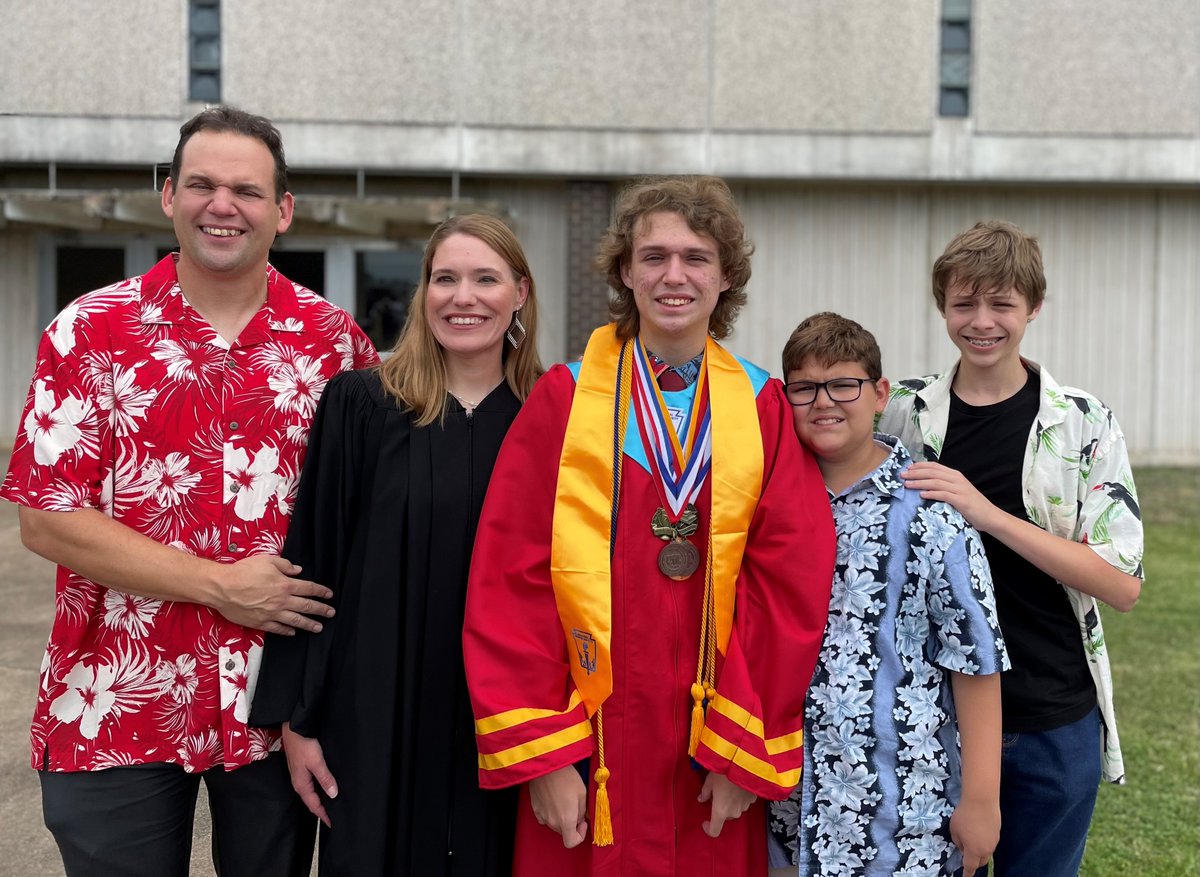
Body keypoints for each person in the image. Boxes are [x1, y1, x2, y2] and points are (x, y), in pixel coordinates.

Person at [0, 105, 378, 877]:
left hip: (277, 707)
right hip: (113, 695)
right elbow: (47, 519)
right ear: (168, 195)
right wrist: (218, 585)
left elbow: (367, 517)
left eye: (245, 188)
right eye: (201, 183)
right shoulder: (87, 332)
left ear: (283, 210)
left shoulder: (337, 345)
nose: (222, 204)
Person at [462, 175, 835, 876]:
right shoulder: (566, 401)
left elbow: (790, 584)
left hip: (707, 750)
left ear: (725, 276)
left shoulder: (762, 408)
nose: (674, 275)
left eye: (696, 257)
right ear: (625, 271)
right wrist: (546, 756)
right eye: (654, 256)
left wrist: (740, 754)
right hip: (590, 744)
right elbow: (509, 577)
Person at [249, 213, 542, 876]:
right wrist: (297, 722)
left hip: (504, 718)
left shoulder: (552, 416)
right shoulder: (361, 405)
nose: (462, 296)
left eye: (485, 278)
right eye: (445, 278)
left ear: (519, 292)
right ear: (423, 292)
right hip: (372, 713)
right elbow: (313, 565)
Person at [878, 221, 1144, 877]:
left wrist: (985, 512)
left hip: (1053, 715)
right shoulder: (903, 414)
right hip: (930, 714)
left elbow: (1121, 583)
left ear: (1033, 307)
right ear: (943, 306)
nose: (982, 321)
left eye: (1001, 303)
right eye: (964, 303)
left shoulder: (1083, 421)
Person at [765, 312, 1009, 877]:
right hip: (785, 805)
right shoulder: (767, 500)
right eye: (804, 388)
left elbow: (975, 663)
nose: (824, 402)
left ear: (879, 393)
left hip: (903, 814)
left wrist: (980, 800)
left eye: (843, 384)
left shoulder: (930, 512)